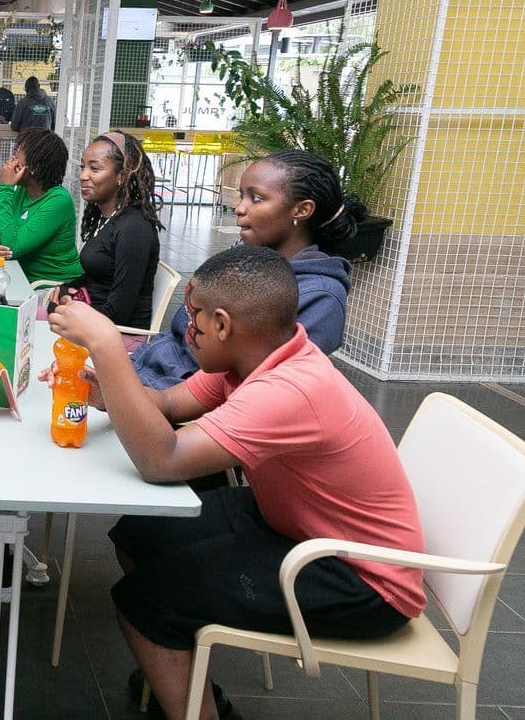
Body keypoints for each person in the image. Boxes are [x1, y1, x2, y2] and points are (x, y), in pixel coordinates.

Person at [45, 245, 424, 720]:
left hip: (361, 576)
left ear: (223, 325)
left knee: (144, 603)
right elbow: (166, 404)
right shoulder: (251, 359)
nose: (188, 330)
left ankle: (190, 698)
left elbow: (162, 459)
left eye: (193, 318)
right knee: (140, 535)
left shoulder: (290, 389)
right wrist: (109, 390)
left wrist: (105, 342)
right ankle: (178, 672)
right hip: (290, 523)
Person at [134, 149, 363, 388]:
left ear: (302, 210)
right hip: (147, 372)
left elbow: (259, 390)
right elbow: (181, 330)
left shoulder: (320, 297)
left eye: (256, 198)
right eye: (241, 195)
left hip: (179, 402)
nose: (239, 208)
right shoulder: (244, 261)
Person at [69, 131, 162, 342]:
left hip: (119, 339)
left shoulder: (133, 227)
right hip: (98, 324)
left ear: (122, 175)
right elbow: (99, 276)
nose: (83, 175)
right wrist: (65, 289)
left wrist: (72, 317)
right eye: (82, 167)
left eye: (94, 168)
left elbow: (120, 311)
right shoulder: (110, 218)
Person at [0, 127, 82, 284]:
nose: (9, 163)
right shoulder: (20, 191)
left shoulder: (59, 201)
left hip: (52, 287)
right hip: (21, 279)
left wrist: (5, 187)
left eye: (15, 157)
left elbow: (11, 247)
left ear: (35, 167)